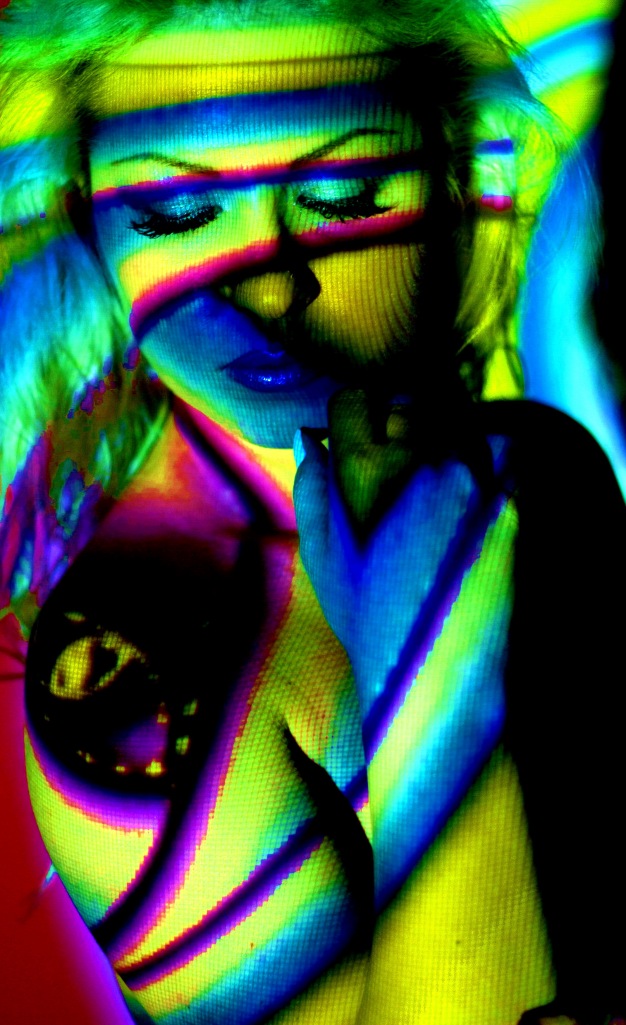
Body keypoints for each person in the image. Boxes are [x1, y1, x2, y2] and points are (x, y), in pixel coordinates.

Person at [0, 1, 624, 1024]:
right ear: (85, 218)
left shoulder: (530, 450)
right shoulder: (138, 688)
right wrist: (437, 654)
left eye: (341, 197)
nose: (268, 287)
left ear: (461, 169)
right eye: (172, 213)